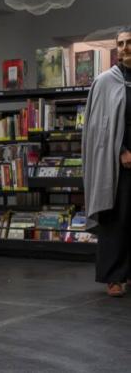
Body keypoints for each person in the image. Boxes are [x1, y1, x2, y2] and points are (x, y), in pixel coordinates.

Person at [83, 26, 131, 297]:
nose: (125, 48)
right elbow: (100, 128)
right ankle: (115, 277)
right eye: (121, 43)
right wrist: (121, 150)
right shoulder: (105, 82)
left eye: (129, 43)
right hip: (117, 164)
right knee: (117, 217)